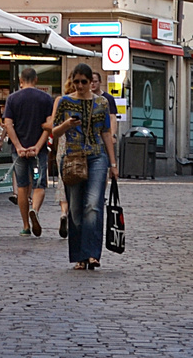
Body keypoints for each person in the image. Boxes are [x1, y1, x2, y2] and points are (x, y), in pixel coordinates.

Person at [50, 62, 117, 270]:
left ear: (91, 83)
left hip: (97, 156)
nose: (80, 85)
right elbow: (54, 131)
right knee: (76, 208)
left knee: (93, 205)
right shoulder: (65, 102)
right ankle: (79, 255)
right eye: (76, 81)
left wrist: (113, 163)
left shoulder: (102, 103)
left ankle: (92, 254)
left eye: (84, 82)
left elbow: (106, 132)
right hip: (72, 157)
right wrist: (66, 125)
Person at [3, 66, 52, 237]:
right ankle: (35, 210)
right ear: (36, 80)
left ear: (20, 80)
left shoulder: (12, 99)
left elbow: (8, 124)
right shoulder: (46, 99)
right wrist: (38, 146)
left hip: (20, 152)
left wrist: (18, 146)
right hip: (38, 153)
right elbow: (49, 125)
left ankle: (25, 225)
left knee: (22, 186)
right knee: (39, 183)